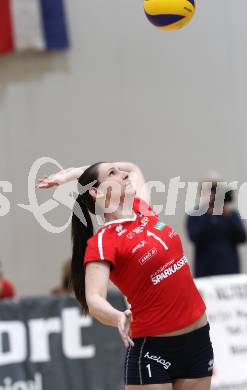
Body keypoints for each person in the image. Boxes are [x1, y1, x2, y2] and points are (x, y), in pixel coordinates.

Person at [38, 162, 214, 390]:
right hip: (154, 349)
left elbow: (132, 168)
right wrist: (117, 317)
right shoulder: (104, 241)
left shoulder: (142, 209)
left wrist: (73, 173)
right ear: (96, 192)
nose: (122, 174)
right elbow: (94, 299)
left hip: (198, 340)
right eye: (112, 173)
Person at [186, 181, 246, 278]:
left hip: (230, 271)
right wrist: (207, 214)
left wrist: (229, 216)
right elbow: (194, 237)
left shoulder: (231, 214)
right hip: (206, 273)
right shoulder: (195, 215)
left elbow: (242, 237)